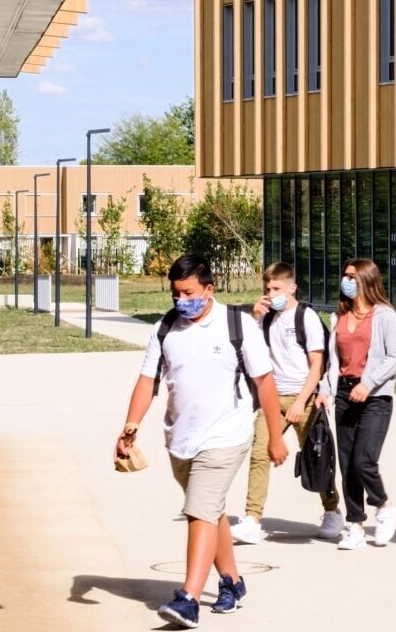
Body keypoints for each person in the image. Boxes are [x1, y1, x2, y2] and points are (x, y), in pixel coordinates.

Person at [115, 254, 288, 629]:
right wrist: (131, 424)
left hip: (227, 435)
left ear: (209, 289)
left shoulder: (237, 325)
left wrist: (276, 436)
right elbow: (148, 380)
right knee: (209, 511)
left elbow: (265, 382)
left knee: (199, 511)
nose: (181, 300)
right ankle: (232, 582)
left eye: (189, 293)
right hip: (180, 438)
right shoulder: (165, 328)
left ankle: (189, 599)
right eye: (176, 293)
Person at [231, 261, 343, 544]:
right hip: (272, 397)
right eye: (267, 288)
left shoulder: (306, 317)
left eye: (276, 288)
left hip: (304, 398)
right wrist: (254, 318)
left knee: (317, 457)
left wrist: (301, 402)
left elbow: (317, 365)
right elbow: (250, 352)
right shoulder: (265, 318)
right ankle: (252, 519)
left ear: (292, 288)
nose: (271, 294)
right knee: (259, 454)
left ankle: (332, 510)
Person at [315, 258, 396, 550]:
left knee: (364, 460)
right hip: (344, 394)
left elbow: (394, 358)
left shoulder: (384, 315)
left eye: (352, 276)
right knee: (347, 464)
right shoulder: (339, 316)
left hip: (375, 396)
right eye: (345, 275)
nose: (347, 280)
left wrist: (368, 384)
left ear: (367, 279)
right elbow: (334, 362)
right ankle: (356, 526)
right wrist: (326, 390)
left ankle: (383, 505)